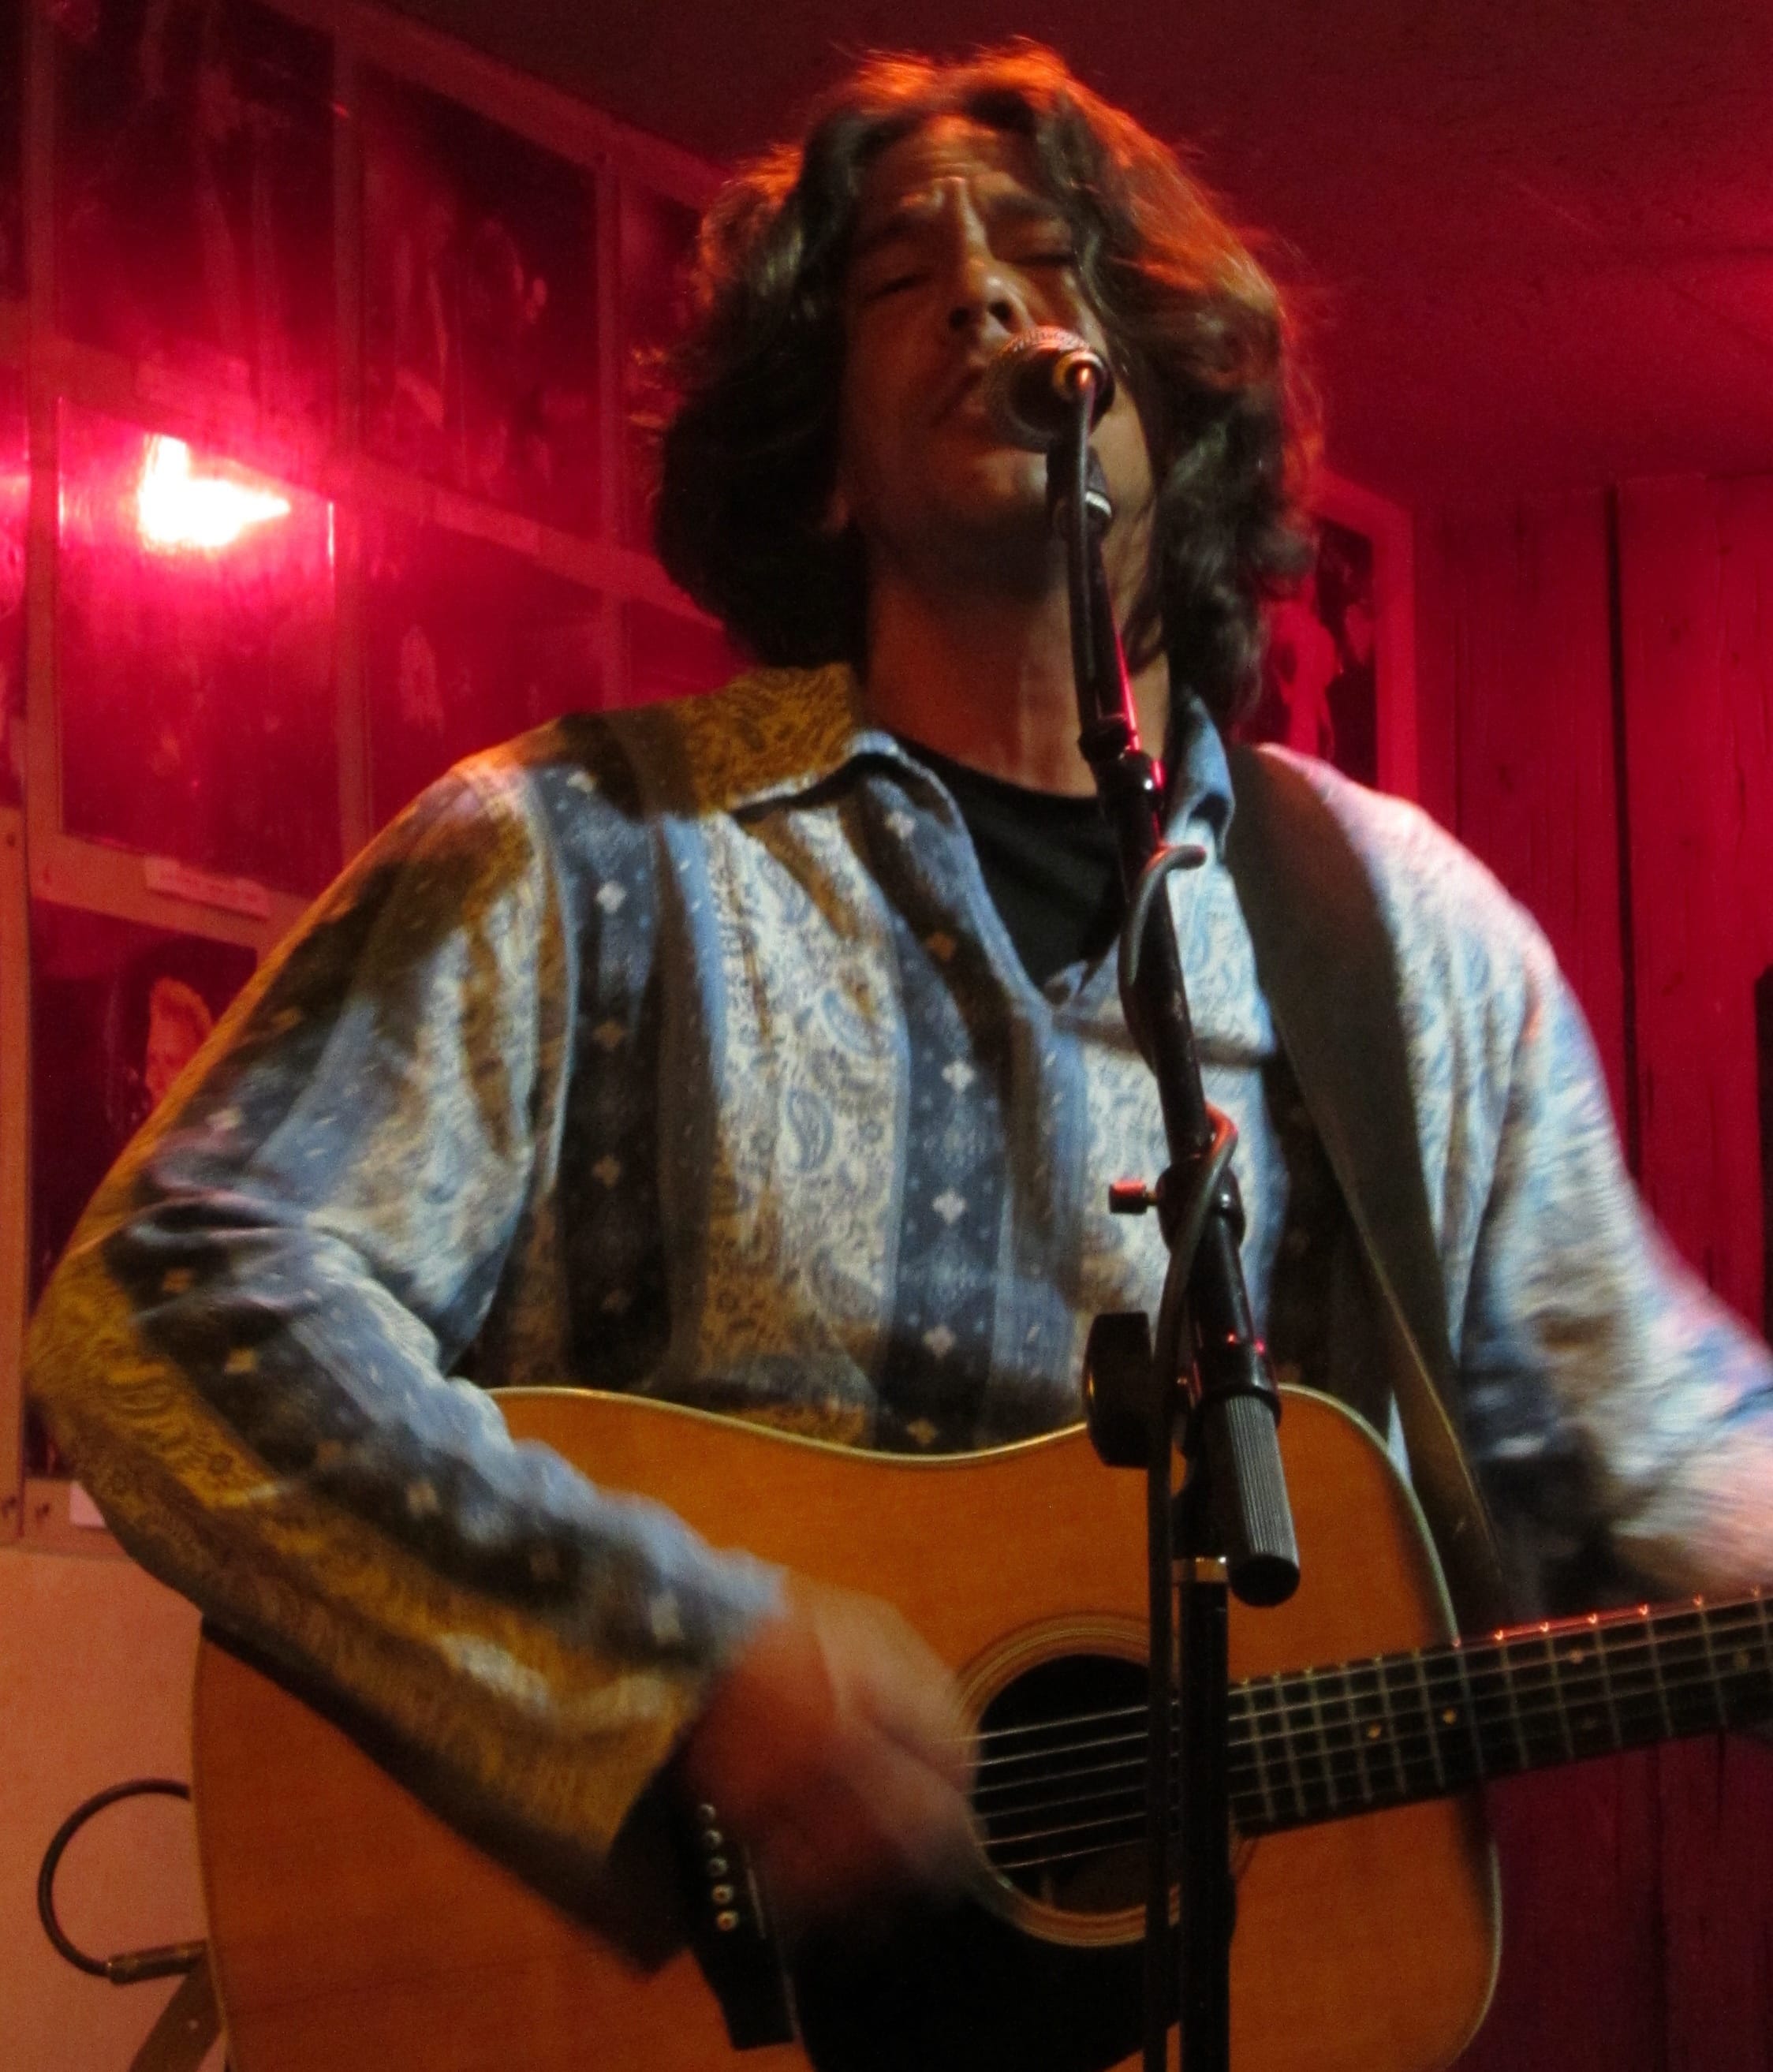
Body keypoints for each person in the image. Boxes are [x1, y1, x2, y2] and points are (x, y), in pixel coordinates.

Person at [27, 43, 1773, 1955]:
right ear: (825, 461)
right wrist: (679, 1660)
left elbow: (1648, 1437)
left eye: (1042, 253)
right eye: (895, 277)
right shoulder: (575, 855)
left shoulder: (1403, 936)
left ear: (1168, 390)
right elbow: (167, 1299)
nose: (982, 297)